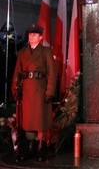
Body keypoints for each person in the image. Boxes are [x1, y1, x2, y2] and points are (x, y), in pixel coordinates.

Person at [11, 23, 58, 162]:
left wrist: (50, 91)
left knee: (40, 121)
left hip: (40, 91)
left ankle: (41, 149)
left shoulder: (46, 51)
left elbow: (52, 73)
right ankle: (29, 149)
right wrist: (15, 88)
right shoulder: (22, 53)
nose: (31, 36)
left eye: (35, 34)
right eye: (30, 34)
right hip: (26, 91)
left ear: (41, 37)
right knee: (28, 122)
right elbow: (17, 73)